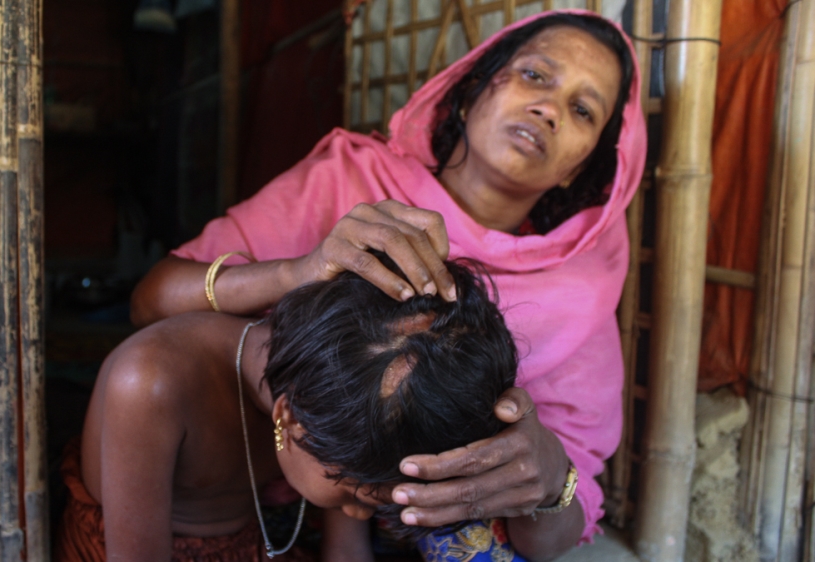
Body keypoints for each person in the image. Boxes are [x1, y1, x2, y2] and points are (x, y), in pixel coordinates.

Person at [128, 9, 646, 561]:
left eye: (583, 110)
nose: (549, 109)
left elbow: (554, 529)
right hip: (262, 489)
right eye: (535, 75)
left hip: (420, 520)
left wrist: (550, 480)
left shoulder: (580, 287)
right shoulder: (347, 180)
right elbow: (149, 304)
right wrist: (296, 271)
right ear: (470, 90)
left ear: (579, 167)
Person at [55, 257, 519, 561]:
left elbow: (345, 552)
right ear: (288, 419)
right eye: (355, 497)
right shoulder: (149, 384)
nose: (359, 514)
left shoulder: (352, 391)